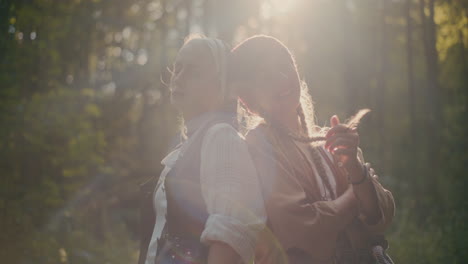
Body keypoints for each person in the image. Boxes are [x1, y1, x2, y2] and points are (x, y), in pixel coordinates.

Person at [228, 35, 395, 264]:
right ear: (249, 101)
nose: (282, 78)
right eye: (266, 77)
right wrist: (355, 194)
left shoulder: (329, 139)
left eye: (285, 67)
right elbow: (300, 228)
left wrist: (355, 168)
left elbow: (382, 214)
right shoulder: (259, 146)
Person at [138, 35, 266, 264]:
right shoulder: (187, 145)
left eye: (194, 72)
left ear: (221, 85)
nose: (179, 77)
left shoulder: (221, 137)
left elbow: (234, 231)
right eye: (178, 68)